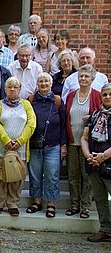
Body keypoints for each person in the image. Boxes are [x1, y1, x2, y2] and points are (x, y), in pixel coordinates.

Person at [0, 77, 36, 216]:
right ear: (5, 89)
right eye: (9, 87)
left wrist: (20, 141)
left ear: (19, 89)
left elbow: (31, 123)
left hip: (20, 149)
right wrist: (6, 140)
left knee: (17, 176)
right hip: (0, 147)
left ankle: (13, 203)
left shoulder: (26, 104)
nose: (12, 89)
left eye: (15, 87)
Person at [26, 73, 67, 218]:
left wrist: (63, 145)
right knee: (35, 175)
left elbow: (63, 125)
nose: (43, 84)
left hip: (53, 144)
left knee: (52, 175)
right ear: (37, 84)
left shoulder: (57, 101)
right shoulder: (31, 100)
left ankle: (51, 203)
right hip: (34, 145)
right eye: (41, 81)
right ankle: (36, 201)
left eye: (46, 81)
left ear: (51, 84)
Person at [65, 64, 102, 219]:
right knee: (73, 175)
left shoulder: (97, 95)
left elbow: (103, 115)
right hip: (72, 141)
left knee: (87, 176)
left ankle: (85, 206)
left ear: (92, 79)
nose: (83, 79)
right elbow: (65, 118)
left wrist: (93, 116)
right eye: (81, 76)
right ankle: (74, 204)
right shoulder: (71, 95)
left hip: (89, 144)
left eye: (87, 76)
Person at [81, 83, 111, 242]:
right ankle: (105, 230)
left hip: (108, 163)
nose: (107, 97)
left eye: (110, 94)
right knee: (100, 199)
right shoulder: (94, 115)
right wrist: (89, 156)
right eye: (105, 94)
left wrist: (103, 156)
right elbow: (84, 138)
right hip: (94, 164)